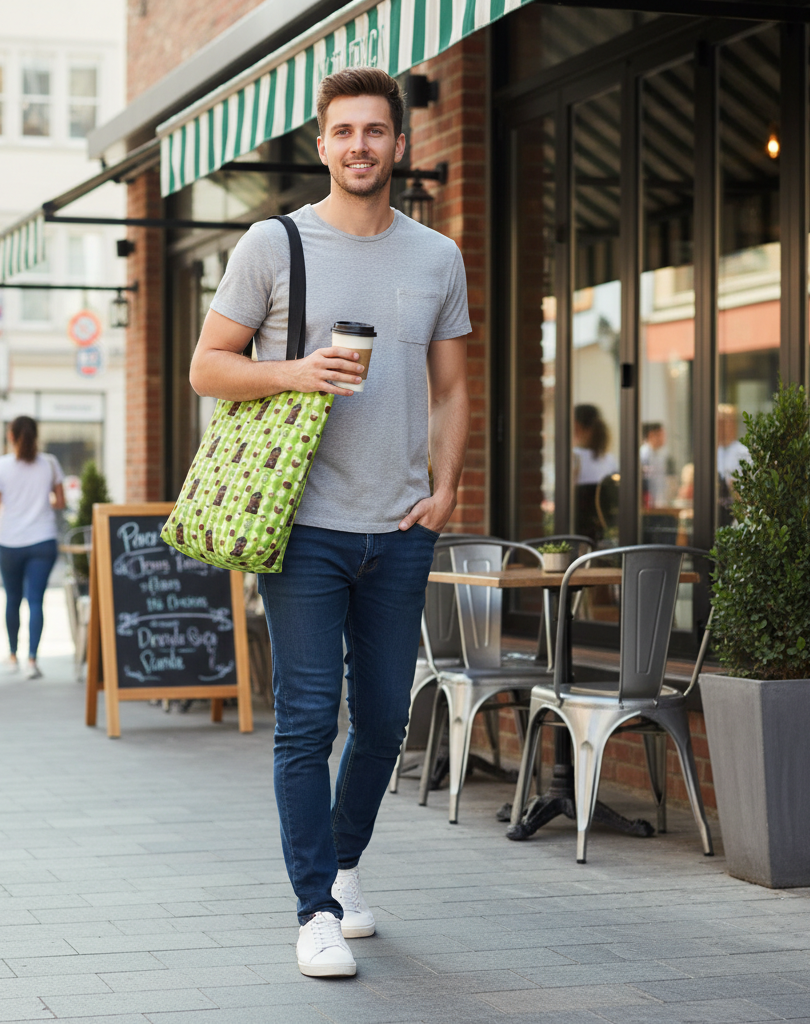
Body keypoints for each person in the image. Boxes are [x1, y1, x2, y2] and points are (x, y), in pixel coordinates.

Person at [189, 67, 470, 978]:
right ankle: (313, 908)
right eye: (344, 132)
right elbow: (206, 368)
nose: (360, 147)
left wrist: (448, 486)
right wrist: (293, 372)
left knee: (386, 719)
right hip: (302, 525)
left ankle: (344, 868)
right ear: (322, 144)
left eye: (376, 132)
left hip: (400, 526)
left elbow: (457, 385)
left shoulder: (437, 257)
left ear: (399, 144)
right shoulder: (273, 245)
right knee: (308, 719)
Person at [0, 416, 64, 680]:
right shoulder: (50, 463)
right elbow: (60, 502)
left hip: (9, 542)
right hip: (43, 540)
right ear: (36, 435)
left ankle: (13, 655)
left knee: (13, 599)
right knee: (37, 600)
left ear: (11, 436)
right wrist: (40, 504)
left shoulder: (0, 466)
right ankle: (32, 661)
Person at [573, 403, 617, 540]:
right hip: (604, 528)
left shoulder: (574, 457)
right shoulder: (610, 459)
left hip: (578, 527)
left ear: (576, 427)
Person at [639, 421, 667, 509]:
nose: (664, 438)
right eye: (661, 435)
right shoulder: (644, 455)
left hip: (657, 502)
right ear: (651, 435)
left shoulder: (658, 455)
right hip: (647, 503)